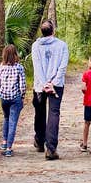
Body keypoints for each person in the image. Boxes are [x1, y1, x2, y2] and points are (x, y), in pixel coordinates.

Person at [31, 21, 69, 160]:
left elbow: (37, 67)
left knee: (40, 112)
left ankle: (40, 141)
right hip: (56, 85)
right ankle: (51, 149)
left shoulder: (36, 46)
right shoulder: (62, 46)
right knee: (54, 113)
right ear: (53, 30)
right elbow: (62, 67)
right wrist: (52, 83)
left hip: (40, 85)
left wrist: (44, 83)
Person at [0, 44, 27, 157]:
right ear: (15, 55)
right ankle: (8, 148)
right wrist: (22, 96)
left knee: (6, 118)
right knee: (13, 122)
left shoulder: (0, 68)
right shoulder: (19, 67)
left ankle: (4, 142)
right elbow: (22, 86)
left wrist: (0, 93)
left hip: (4, 98)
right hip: (15, 98)